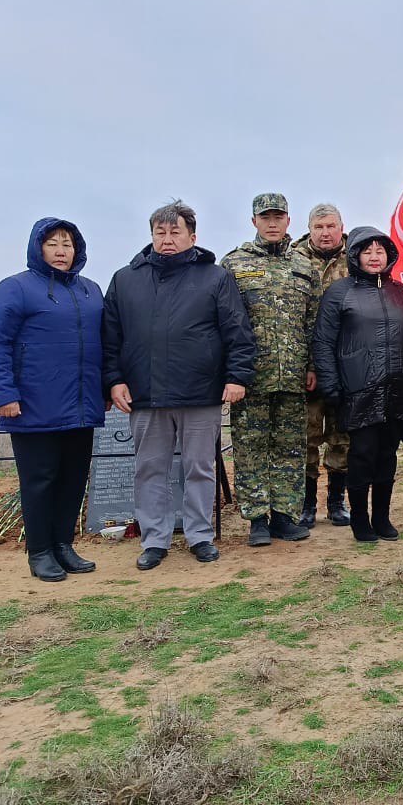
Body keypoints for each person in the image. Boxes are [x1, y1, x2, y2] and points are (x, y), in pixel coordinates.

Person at [102, 201, 255, 571]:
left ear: (192, 236)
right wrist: (114, 380)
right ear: (152, 234)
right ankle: (155, 539)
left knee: (199, 468)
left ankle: (200, 535)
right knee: (150, 469)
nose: (167, 240)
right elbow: (110, 337)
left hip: (200, 392)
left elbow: (237, 331)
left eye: (175, 233)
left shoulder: (215, 277)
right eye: (160, 232)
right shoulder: (126, 279)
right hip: (145, 394)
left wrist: (237, 377)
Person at [0, 218, 105, 582]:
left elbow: (106, 342)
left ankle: (64, 546)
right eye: (53, 243)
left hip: (81, 405)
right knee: (40, 481)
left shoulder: (90, 290)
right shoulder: (15, 289)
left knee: (73, 479)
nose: (62, 250)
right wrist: (3, 394)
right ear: (38, 248)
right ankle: (40, 552)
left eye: (68, 244)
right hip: (33, 406)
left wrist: (105, 388)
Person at [311, 226, 403, 543]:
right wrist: (331, 385)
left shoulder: (402, 293)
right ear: (355, 255)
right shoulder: (340, 292)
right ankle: (360, 518)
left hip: (398, 388)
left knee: (388, 455)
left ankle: (382, 518)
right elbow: (323, 342)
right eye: (367, 250)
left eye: (380, 250)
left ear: (389, 255)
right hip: (359, 389)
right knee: (361, 455)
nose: (374, 256)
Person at [221, 193, 316, 548]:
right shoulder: (233, 264)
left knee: (291, 449)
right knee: (251, 448)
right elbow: (225, 323)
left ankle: (284, 516)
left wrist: (311, 366)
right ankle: (257, 519)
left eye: (279, 216)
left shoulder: (304, 265)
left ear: (289, 221)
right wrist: (231, 373)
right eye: (266, 217)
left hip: (293, 376)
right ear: (254, 222)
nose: (272, 223)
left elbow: (313, 321)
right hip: (250, 378)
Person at [292, 204, 352, 528]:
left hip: (345, 365)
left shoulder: (355, 259)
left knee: (342, 436)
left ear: (342, 227)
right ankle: (306, 505)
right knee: (307, 437)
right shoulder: (294, 260)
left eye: (331, 226)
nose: (325, 232)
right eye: (319, 226)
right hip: (307, 367)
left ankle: (336, 503)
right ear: (309, 228)